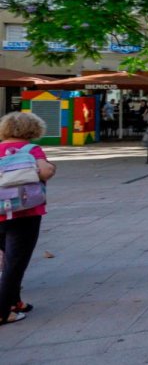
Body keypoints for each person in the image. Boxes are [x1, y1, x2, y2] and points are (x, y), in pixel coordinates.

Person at [0, 112, 57, 326]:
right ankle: (3, 311)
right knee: (15, 262)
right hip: (26, 212)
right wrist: (50, 168)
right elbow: (44, 172)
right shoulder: (31, 149)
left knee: (6, 256)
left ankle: (15, 301)